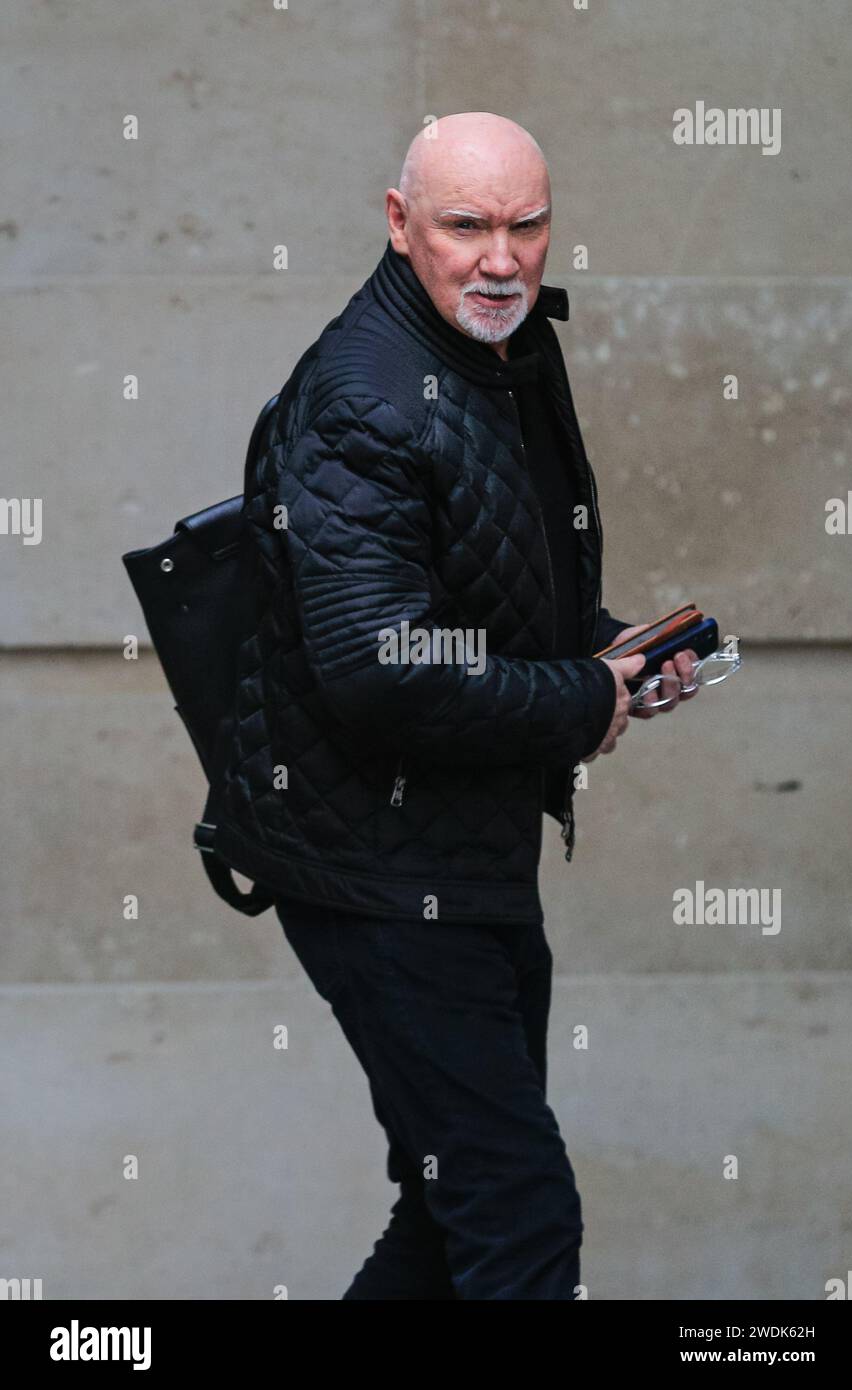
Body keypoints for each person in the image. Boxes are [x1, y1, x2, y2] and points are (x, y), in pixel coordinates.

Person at [215, 111, 698, 1299]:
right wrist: (583, 696)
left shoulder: (501, 351)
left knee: (450, 1213)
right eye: (466, 226)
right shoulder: (363, 398)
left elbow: (478, 589)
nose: (501, 258)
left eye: (526, 226)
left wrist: (610, 648)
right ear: (398, 224)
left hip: (460, 851)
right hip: (373, 871)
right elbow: (382, 664)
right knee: (516, 1211)